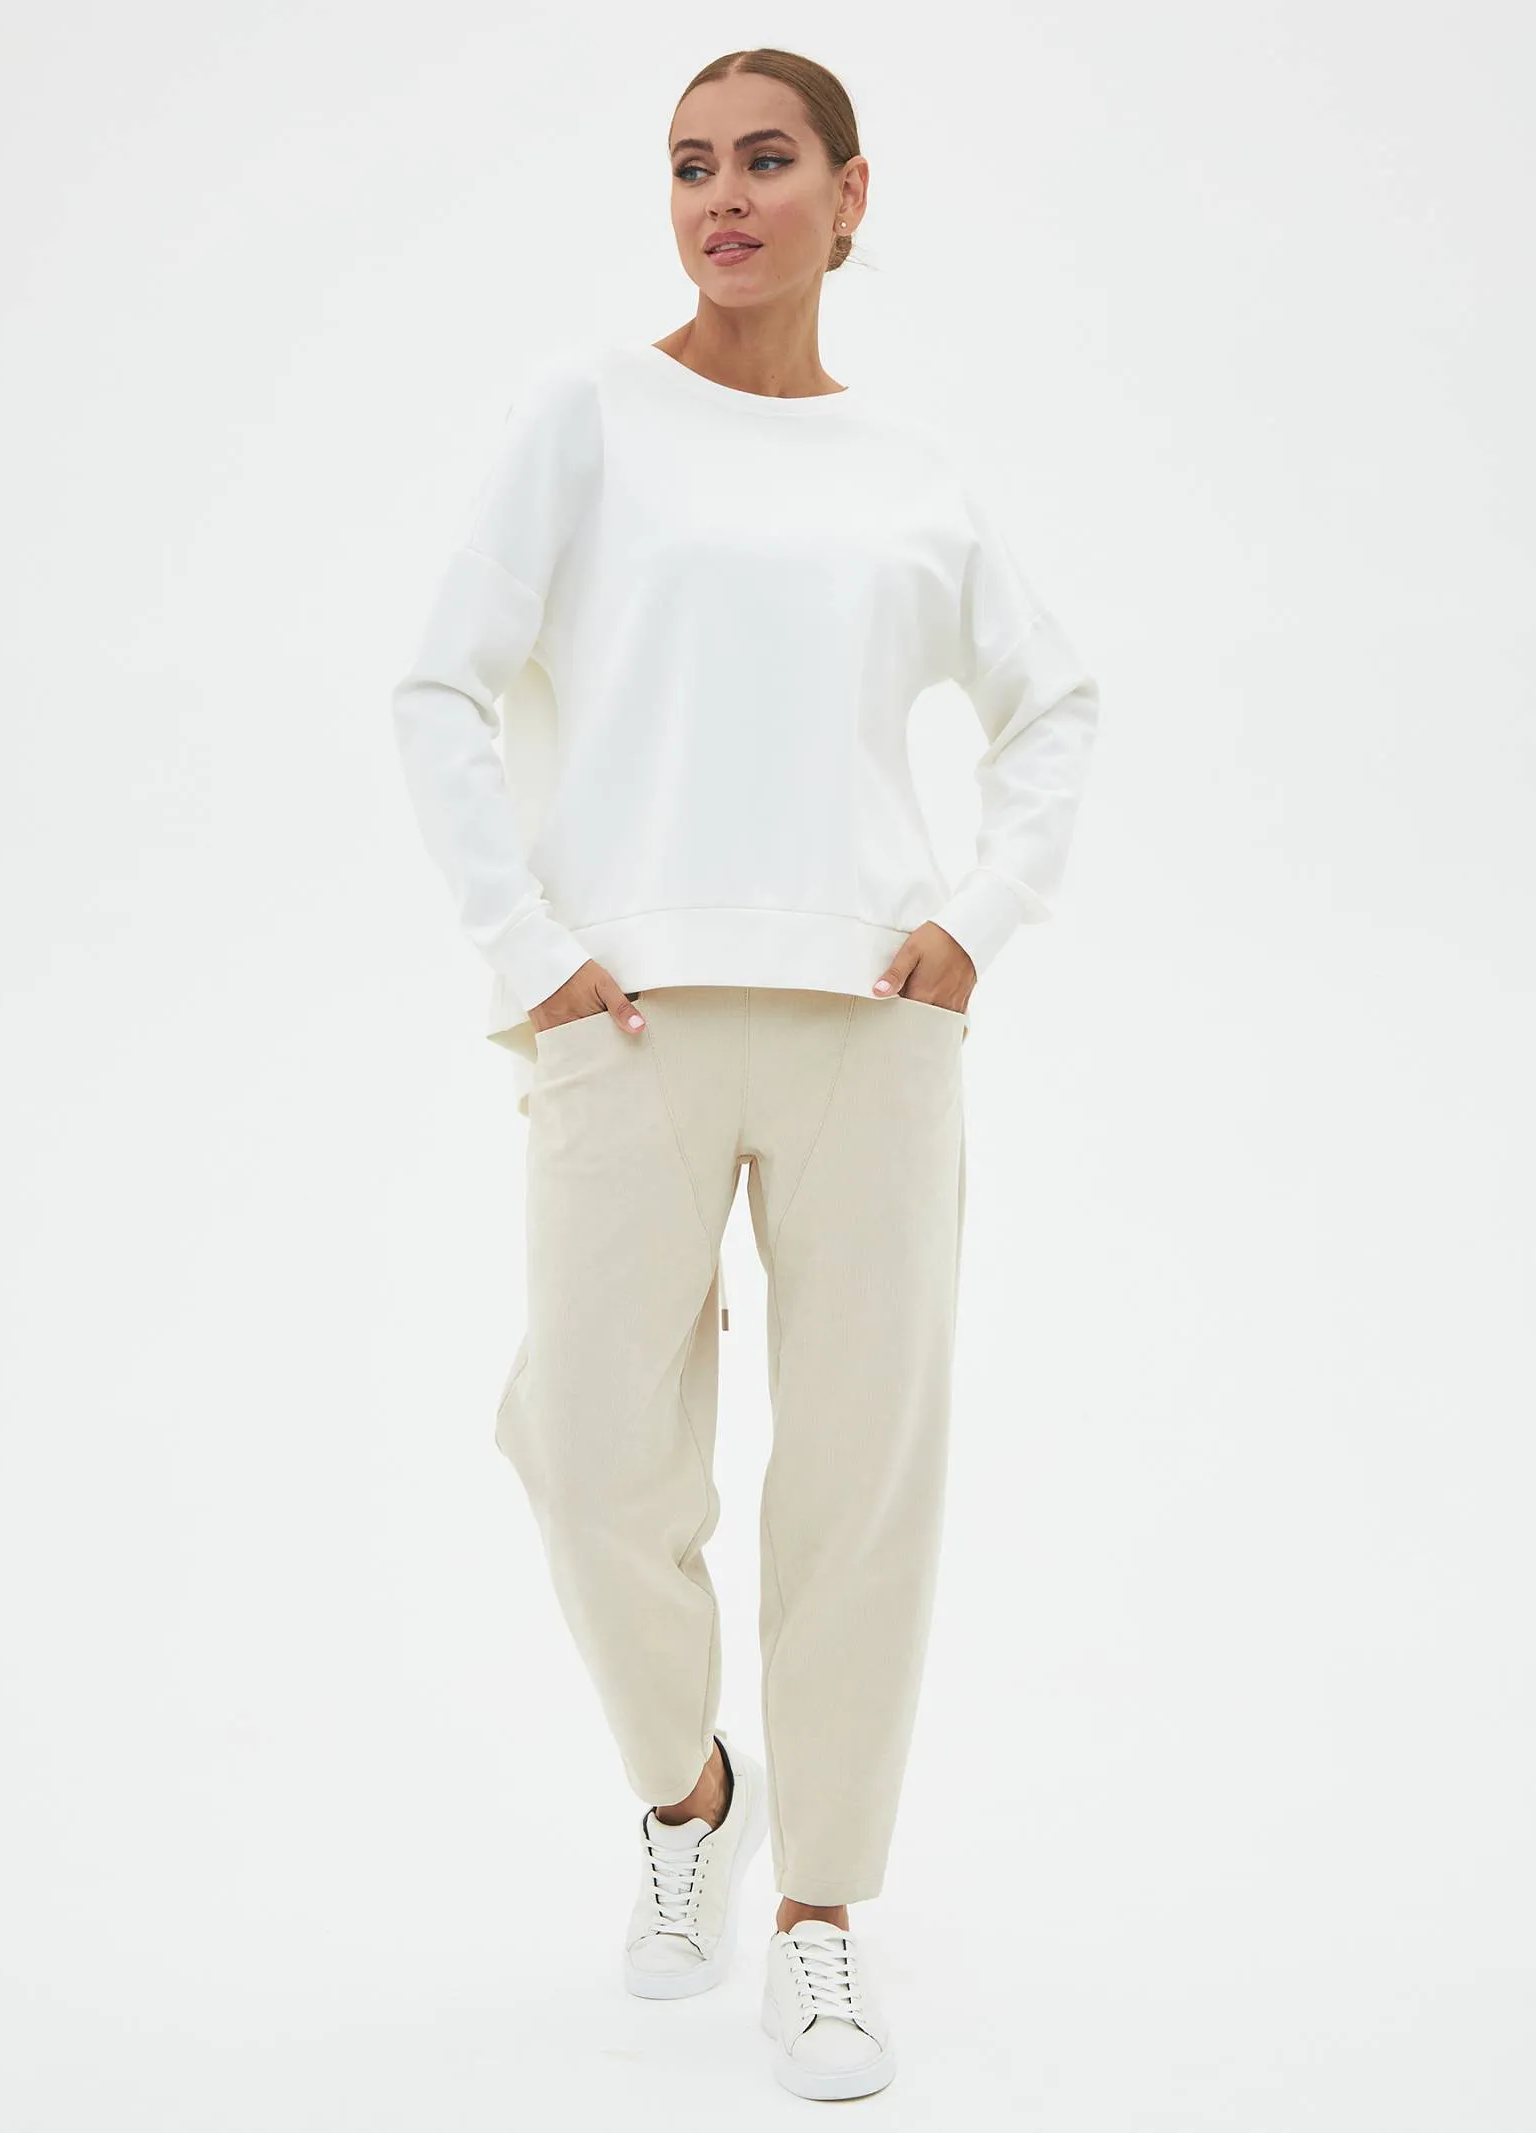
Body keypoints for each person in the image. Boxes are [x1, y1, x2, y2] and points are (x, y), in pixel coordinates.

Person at [389, 45, 1100, 2104]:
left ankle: (819, 1921)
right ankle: (693, 1790)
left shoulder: (911, 470)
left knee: (861, 1475)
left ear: (849, 196)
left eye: (765, 160)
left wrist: (978, 918)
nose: (722, 195)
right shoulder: (588, 416)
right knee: (585, 1438)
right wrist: (530, 949)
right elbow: (436, 685)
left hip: (871, 1019)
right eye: (691, 163)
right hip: (620, 1016)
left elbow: (1052, 703)